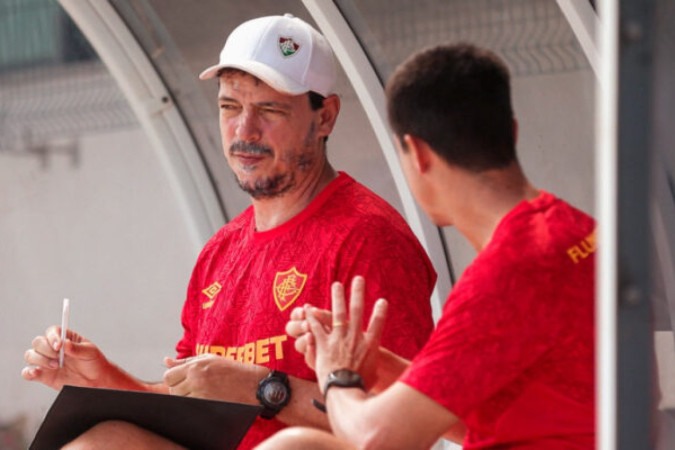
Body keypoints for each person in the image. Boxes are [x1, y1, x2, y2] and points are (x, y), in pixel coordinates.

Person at [21, 14, 436, 449]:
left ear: (325, 117)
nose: (244, 130)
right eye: (229, 107)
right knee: (102, 442)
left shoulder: (369, 238)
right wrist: (105, 381)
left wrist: (264, 389)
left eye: (269, 109)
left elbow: (407, 425)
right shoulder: (222, 249)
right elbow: (196, 402)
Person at [256, 43, 596, 449]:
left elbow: (375, 439)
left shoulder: (506, 275)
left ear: (417, 154)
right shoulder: (578, 231)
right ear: (513, 132)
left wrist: (337, 374)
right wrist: (377, 365)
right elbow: (488, 419)